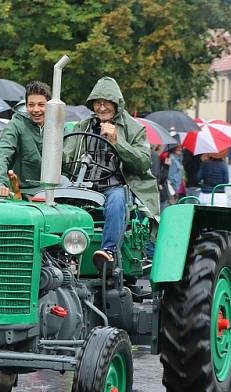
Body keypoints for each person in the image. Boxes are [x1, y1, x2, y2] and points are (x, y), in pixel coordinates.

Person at [63, 76, 158, 269]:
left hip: (116, 186)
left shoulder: (134, 128)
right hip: (83, 185)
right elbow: (66, 156)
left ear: (116, 104)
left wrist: (117, 142)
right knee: (59, 200)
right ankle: (64, 255)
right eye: (97, 103)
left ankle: (107, 252)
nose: (102, 107)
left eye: (106, 103)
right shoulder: (83, 126)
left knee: (116, 201)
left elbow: (142, 163)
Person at [0, 81, 51, 196]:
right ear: (26, 105)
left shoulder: (57, 127)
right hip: (22, 192)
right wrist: (0, 182)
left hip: (52, 190)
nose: (36, 109)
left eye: (41, 105)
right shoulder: (16, 125)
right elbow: (2, 153)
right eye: (31, 105)